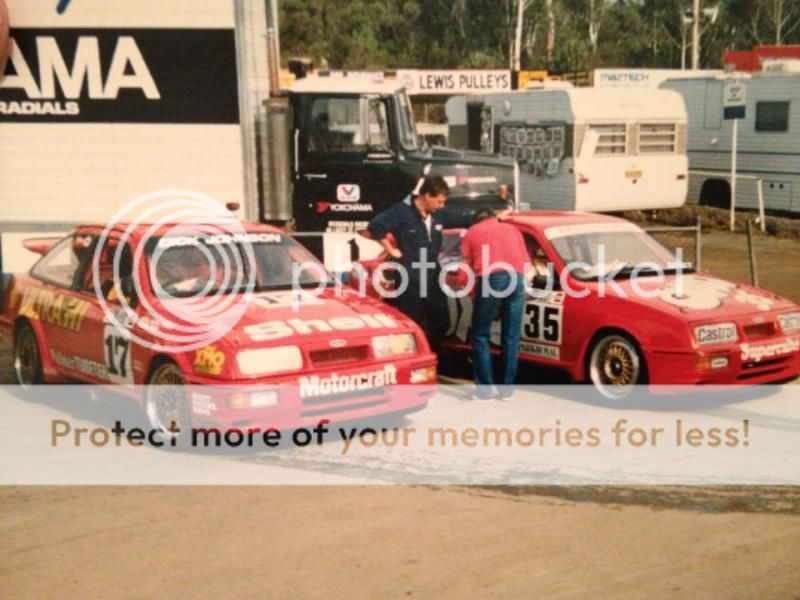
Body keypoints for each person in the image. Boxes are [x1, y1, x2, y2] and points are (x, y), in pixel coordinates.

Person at [367, 175, 453, 352]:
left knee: (442, 321)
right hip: (410, 276)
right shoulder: (402, 211)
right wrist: (391, 250)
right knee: (411, 322)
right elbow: (375, 226)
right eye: (439, 201)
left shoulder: (439, 214)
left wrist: (499, 215)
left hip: (432, 275)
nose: (441, 206)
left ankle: (426, 352)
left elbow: (466, 217)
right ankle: (414, 361)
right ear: (427, 196)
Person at [460, 205, 528, 399]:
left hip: (492, 278)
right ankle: (507, 389)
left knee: (480, 334)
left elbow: (464, 271)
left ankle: (485, 390)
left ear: (476, 220)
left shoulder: (472, 232)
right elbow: (526, 261)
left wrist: (473, 295)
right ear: (493, 217)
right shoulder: (512, 230)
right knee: (511, 335)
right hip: (517, 278)